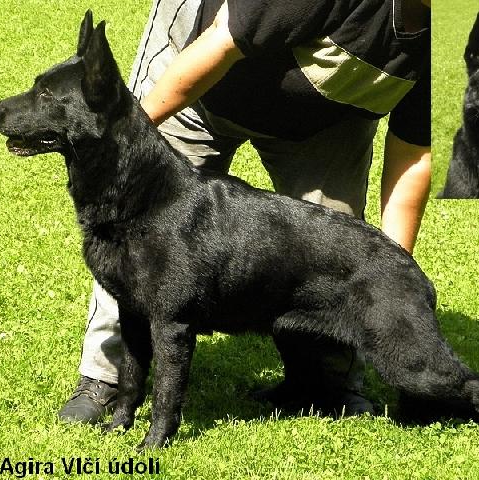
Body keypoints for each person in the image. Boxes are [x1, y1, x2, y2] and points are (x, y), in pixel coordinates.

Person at [58, 0, 431, 424]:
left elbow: (413, 156)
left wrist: (392, 275)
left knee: (334, 254)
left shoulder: (444, 40)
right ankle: (106, 378)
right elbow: (220, 42)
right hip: (197, 71)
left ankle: (322, 384)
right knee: (137, 228)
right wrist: (131, 137)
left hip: (323, 120)